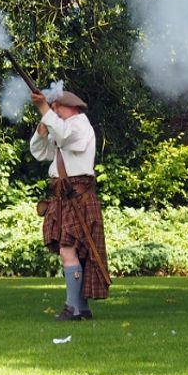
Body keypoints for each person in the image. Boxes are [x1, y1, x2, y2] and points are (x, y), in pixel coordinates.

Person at [30, 90, 110, 321]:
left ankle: (73, 308)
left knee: (69, 251)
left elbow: (64, 137)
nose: (54, 111)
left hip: (77, 193)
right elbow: (40, 152)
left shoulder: (78, 124)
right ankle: (81, 308)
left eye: (57, 108)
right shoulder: (62, 127)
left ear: (71, 108)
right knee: (74, 252)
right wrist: (41, 132)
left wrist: (44, 109)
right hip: (64, 195)